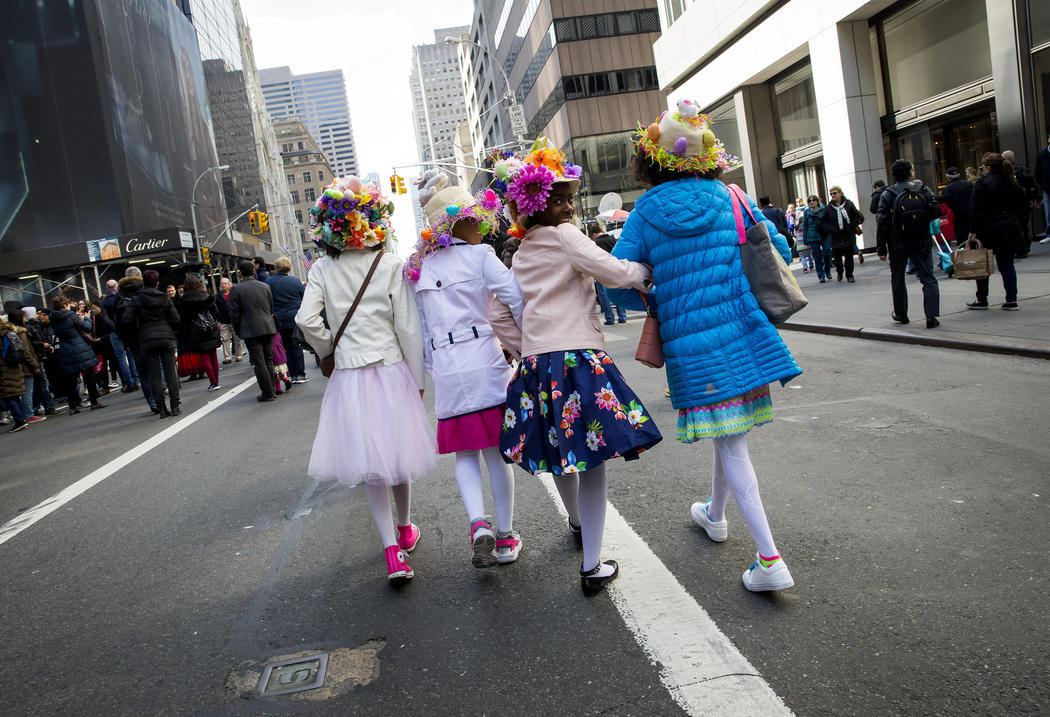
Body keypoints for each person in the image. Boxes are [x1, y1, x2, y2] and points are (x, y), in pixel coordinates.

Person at [606, 100, 800, 593]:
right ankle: (714, 515)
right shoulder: (731, 194)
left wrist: (655, 287)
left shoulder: (646, 210)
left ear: (650, 160)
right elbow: (779, 248)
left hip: (691, 342)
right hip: (744, 327)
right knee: (729, 430)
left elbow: (615, 282)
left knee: (731, 440)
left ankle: (770, 559)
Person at [488, 137, 661, 596]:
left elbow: (496, 314)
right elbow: (615, 272)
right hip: (577, 358)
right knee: (593, 462)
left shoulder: (520, 252)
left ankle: (580, 528)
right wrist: (646, 274)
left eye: (569, 198)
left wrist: (525, 346)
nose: (567, 207)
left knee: (561, 455)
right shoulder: (566, 237)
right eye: (558, 199)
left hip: (537, 366)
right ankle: (591, 565)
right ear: (536, 204)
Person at [295, 175, 434, 584]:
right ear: (374, 221)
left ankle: (391, 550)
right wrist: (418, 375)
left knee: (372, 463)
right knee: (397, 454)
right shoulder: (389, 264)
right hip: (391, 369)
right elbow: (408, 327)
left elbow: (305, 320)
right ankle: (406, 528)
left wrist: (328, 350)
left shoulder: (322, 268)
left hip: (350, 375)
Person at [405, 182, 525, 569]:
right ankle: (505, 536)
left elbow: (419, 330)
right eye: (476, 219)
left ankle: (478, 526)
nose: (483, 227)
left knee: (465, 453)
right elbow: (515, 297)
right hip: (485, 359)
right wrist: (521, 343)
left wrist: (431, 367)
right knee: (496, 453)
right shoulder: (481, 256)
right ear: (458, 226)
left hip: (447, 367)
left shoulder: (420, 269)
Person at [876, 159, 941, 328]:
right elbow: (935, 211)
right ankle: (931, 316)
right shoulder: (923, 189)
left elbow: (882, 222)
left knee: (897, 278)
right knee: (928, 277)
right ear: (911, 172)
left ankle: (901, 314)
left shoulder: (888, 194)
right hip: (921, 239)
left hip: (897, 242)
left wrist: (881, 247)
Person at [967, 152, 1026, 311]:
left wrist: (972, 231)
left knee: (983, 264)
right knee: (1007, 265)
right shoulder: (1012, 182)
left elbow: (975, 209)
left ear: (987, 167)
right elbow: (1021, 206)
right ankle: (1011, 299)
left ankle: (982, 298)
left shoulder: (982, 183)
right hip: (1009, 228)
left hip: (988, 230)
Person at [127, 270, 181, 417]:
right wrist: (168, 328)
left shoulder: (136, 300)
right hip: (165, 336)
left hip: (146, 338)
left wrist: (138, 331)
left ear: (143, 282)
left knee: (154, 375)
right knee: (170, 372)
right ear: (157, 283)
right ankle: (175, 406)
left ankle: (162, 409)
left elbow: (127, 320)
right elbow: (176, 319)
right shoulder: (164, 298)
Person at [230, 260, 278, 401]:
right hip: (267, 326)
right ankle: (273, 389)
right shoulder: (265, 286)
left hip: (250, 329)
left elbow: (234, 313)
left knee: (259, 362)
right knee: (269, 360)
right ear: (253, 271)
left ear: (240, 274)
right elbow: (270, 307)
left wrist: (238, 330)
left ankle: (267, 392)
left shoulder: (237, 289)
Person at [50, 295, 105, 413]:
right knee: (89, 375)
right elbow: (86, 328)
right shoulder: (71, 316)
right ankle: (94, 402)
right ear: (65, 305)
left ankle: (72, 406)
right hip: (80, 348)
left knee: (70, 380)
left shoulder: (53, 319)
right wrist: (86, 318)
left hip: (65, 349)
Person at [115, 266, 159, 414]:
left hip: (133, 339)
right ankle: (159, 395)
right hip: (149, 333)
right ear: (140, 276)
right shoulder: (143, 288)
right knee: (155, 368)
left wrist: (125, 340)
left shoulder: (119, 294)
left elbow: (118, 322)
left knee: (143, 372)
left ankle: (151, 402)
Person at [266, 257, 308, 384]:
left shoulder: (268, 282)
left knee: (283, 347)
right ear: (289, 267)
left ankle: (289, 373)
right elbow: (305, 297)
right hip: (294, 317)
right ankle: (299, 374)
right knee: (296, 345)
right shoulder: (295, 281)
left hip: (277, 319)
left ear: (276, 267)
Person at [178, 274, 222, 391]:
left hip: (196, 330)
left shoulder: (185, 300)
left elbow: (183, 319)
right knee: (213, 356)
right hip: (211, 328)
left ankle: (213, 382)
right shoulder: (207, 296)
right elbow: (216, 312)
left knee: (204, 357)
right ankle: (216, 380)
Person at [3, 310, 42, 428]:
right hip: (18, 366)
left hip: (9, 367)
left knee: (14, 394)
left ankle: (22, 416)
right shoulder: (16, 333)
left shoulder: (11, 333)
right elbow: (26, 351)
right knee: (22, 392)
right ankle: (27, 414)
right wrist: (35, 365)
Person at [101, 279, 140, 393]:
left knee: (121, 357)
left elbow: (106, 318)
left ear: (107, 288)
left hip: (114, 331)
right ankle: (136, 380)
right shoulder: (122, 297)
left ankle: (129, 382)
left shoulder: (105, 301)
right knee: (131, 355)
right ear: (116, 286)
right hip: (126, 329)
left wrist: (114, 328)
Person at [820, 185, 864, 283]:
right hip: (835, 236)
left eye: (835, 193)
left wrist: (851, 226)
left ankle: (850, 275)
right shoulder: (828, 208)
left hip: (848, 234)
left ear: (840, 193)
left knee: (849, 256)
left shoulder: (849, 204)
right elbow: (822, 222)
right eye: (831, 194)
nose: (832, 195)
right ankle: (840, 272)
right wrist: (831, 228)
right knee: (838, 258)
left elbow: (856, 216)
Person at [1002, 150, 1040, 258]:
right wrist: (1036, 197)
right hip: (1023, 202)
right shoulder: (1022, 169)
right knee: (1023, 225)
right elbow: (1031, 184)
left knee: (1018, 226)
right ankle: (1025, 247)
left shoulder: (1004, 172)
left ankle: (1021, 248)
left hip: (1014, 204)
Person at [587, 224, 627, 324]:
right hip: (615, 270)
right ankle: (622, 316)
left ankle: (610, 318)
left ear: (594, 234)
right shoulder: (612, 239)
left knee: (603, 295)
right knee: (619, 293)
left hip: (602, 272)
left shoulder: (595, 243)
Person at [24, 307, 56, 415]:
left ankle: (39, 406)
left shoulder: (35, 325)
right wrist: (42, 345)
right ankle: (48, 406)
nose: (39, 316)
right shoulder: (29, 327)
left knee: (38, 384)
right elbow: (30, 345)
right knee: (42, 383)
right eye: (37, 314)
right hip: (36, 357)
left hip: (38, 356)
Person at [801, 194, 832, 282]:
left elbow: (829, 221)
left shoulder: (824, 209)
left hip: (824, 234)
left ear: (817, 201)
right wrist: (805, 240)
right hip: (812, 236)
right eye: (809, 201)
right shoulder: (807, 212)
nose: (812, 202)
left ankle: (827, 270)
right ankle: (821, 275)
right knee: (817, 256)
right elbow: (805, 227)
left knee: (827, 252)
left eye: (813, 200)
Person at [940, 167, 973, 247]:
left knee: (961, 240)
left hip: (958, 218)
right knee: (972, 239)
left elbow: (948, 203)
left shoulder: (947, 189)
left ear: (948, 177)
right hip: (971, 216)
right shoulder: (969, 185)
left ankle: (964, 256)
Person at [215, 277, 242, 363]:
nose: (223, 285)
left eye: (225, 283)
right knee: (225, 339)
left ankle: (239, 355)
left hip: (234, 319)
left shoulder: (234, 294)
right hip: (223, 320)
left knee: (237, 338)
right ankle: (227, 357)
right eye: (222, 284)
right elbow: (216, 309)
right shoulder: (217, 296)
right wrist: (217, 320)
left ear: (229, 284)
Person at [1034, 130, 1050, 243]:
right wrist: (1042, 186)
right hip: (1047, 188)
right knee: (1048, 212)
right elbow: (1038, 173)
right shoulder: (1042, 155)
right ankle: (1049, 233)